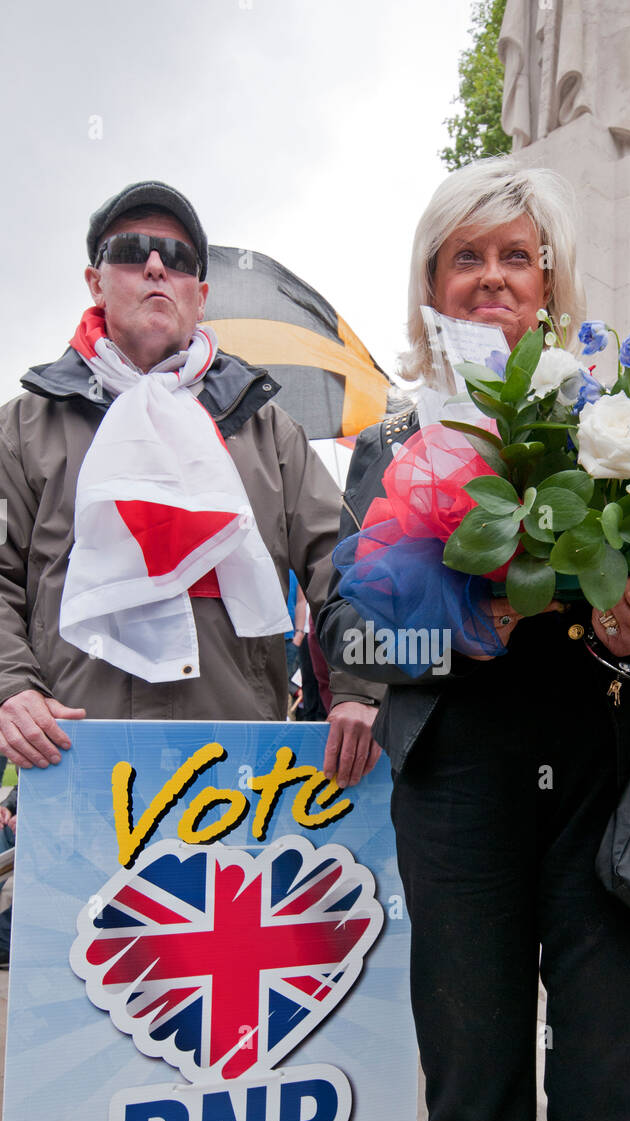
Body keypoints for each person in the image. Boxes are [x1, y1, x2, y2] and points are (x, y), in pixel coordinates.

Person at [318, 155, 630, 1121]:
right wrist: (472, 621)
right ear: (431, 286)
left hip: (609, 795)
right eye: (467, 258)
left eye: (517, 256)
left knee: (609, 1100)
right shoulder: (391, 440)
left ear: (553, 282)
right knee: (471, 1092)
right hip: (457, 798)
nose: (493, 278)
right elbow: (351, 637)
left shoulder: (623, 426)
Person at [0, 179, 379, 788]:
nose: (155, 265)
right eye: (132, 250)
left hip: (240, 772)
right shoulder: (23, 426)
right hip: (75, 766)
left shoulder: (267, 431)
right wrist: (10, 688)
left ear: (199, 297)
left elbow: (348, 565)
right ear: (95, 282)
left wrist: (362, 689)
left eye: (177, 259)